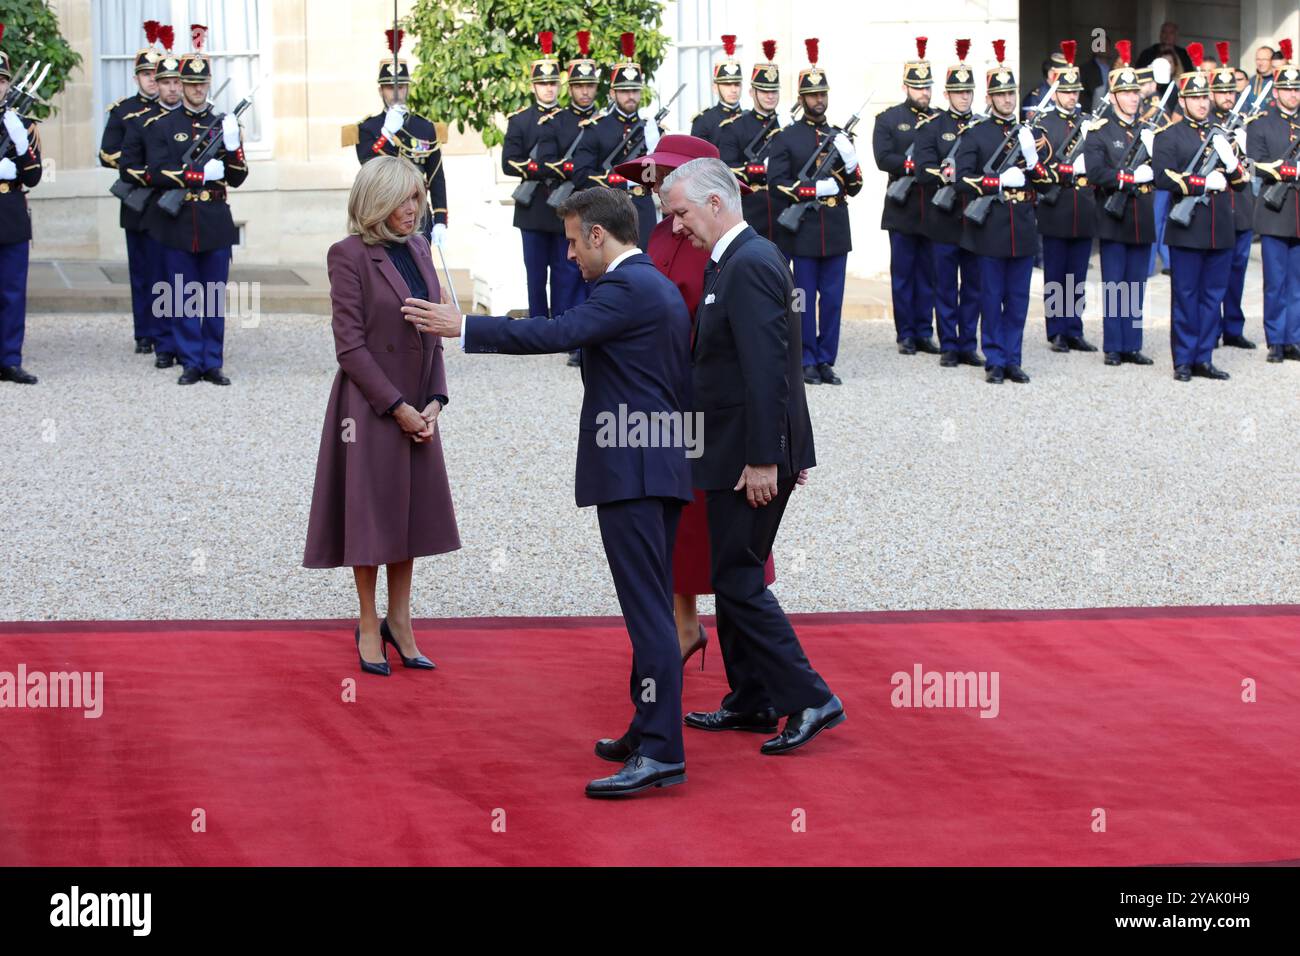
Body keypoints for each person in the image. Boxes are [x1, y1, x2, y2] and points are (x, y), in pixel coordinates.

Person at [408, 186, 694, 799]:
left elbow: (558, 331)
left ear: (599, 235)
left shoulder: (628, 288)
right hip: (651, 463)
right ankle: (648, 728)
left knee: (648, 616)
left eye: (571, 240)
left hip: (635, 469)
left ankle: (664, 751)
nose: (566, 254)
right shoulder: (647, 285)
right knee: (646, 609)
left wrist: (465, 329)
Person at [660, 157, 844, 756]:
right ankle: (752, 698)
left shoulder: (751, 263)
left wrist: (769, 457)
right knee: (731, 573)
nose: (676, 228)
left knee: (739, 580)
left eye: (682, 214)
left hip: (749, 456)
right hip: (731, 450)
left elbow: (770, 371)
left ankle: (808, 696)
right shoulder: (734, 261)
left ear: (716, 204)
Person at [612, 133, 776, 667]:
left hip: (700, 398)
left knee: (715, 530)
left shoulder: (726, 245)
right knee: (674, 521)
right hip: (661, 394)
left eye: (661, 173)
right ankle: (685, 627)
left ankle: (743, 660)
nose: (651, 181)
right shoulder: (661, 231)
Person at [304, 155, 459, 676]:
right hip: (370, 407)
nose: (412, 208)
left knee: (410, 516)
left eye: (416, 196)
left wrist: (435, 400)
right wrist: (397, 408)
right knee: (371, 518)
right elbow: (349, 347)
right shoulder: (346, 255)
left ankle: (401, 619)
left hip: (420, 400)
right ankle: (368, 621)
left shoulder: (419, 248)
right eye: (401, 199)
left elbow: (433, 331)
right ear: (376, 203)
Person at [136, 27, 247, 386]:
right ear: (180, 84)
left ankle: (212, 360)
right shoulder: (163, 125)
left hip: (214, 218)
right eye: (191, 83)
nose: (198, 89)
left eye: (203, 84)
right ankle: (190, 361)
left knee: (213, 296)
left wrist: (233, 146)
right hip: (179, 218)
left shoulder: (222, 124)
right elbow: (154, 172)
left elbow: (238, 176)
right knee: (181, 295)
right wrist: (197, 175)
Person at [955, 39, 1054, 384]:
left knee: (1017, 301)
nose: (1008, 100)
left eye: (1011, 94)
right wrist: (996, 183)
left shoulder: (1027, 133)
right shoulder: (977, 134)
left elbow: (1047, 182)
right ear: (990, 97)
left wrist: (1031, 159)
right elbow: (962, 181)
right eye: (1001, 95)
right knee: (991, 296)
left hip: (1023, 227)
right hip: (992, 227)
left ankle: (1013, 358)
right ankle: (995, 359)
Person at [769, 37, 864, 385]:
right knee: (802, 301)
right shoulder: (787, 137)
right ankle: (806, 358)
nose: (819, 100)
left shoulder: (839, 137)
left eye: (823, 94)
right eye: (812, 95)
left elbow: (855, 186)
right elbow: (776, 183)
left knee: (834, 301)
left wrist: (851, 161)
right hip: (804, 231)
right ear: (802, 98)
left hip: (836, 227)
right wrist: (811, 189)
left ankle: (827, 358)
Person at [1153, 42, 1249, 382]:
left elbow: (1240, 181)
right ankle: (1183, 358)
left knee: (1213, 297)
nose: (1202, 102)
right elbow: (1162, 176)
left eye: (1205, 97)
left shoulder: (1220, 135)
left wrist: (1232, 159)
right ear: (1182, 100)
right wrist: (1199, 183)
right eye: (1195, 98)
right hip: (1187, 227)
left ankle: (1204, 356)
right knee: (1186, 296)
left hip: (1220, 227)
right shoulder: (1170, 136)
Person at [913, 38, 983, 368]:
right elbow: (921, 170)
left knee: (973, 286)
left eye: (968, 91)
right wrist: (945, 172)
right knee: (944, 286)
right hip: (944, 216)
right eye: (958, 92)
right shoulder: (933, 127)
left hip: (975, 217)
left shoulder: (983, 126)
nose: (964, 96)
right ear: (947, 95)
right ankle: (949, 345)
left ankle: (968, 343)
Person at [1086, 42, 1157, 367]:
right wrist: (1128, 177)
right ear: (1112, 96)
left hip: (1141, 216)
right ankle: (1114, 345)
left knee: (1136, 285)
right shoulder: (1100, 132)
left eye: (1135, 93)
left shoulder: (1148, 131)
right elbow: (1097, 172)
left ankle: (1132, 343)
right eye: (1126, 93)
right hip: (1114, 215)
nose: (1132, 98)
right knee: (1116, 284)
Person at [119, 26, 183, 371]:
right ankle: (162, 341)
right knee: (159, 278)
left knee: (183, 282)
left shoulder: (195, 120)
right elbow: (127, 167)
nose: (173, 88)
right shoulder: (141, 122)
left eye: (177, 82)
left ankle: (187, 338)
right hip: (157, 208)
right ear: (154, 84)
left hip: (189, 211)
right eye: (166, 82)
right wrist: (157, 177)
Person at [347, 28, 447, 245]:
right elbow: (368, 164)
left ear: (407, 89)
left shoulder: (425, 127)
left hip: (417, 214)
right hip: (382, 215)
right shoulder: (368, 128)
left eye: (400, 87)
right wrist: (388, 133)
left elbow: (436, 176)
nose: (396, 93)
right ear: (381, 91)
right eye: (390, 88)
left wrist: (440, 219)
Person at [99, 20, 162, 356]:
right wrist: (143, 165)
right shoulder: (123, 111)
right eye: (146, 74)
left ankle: (168, 329)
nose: (152, 79)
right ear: (136, 77)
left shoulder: (175, 108)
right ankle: (145, 332)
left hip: (170, 198)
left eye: (156, 73)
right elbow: (106, 153)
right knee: (141, 270)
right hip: (139, 200)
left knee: (166, 268)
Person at [872, 36, 939, 355]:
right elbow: (883, 158)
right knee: (903, 276)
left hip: (933, 209)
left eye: (927, 86)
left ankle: (925, 331)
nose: (924, 92)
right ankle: (906, 334)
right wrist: (915, 164)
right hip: (902, 208)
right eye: (918, 87)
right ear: (906, 87)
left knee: (928, 275)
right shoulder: (889, 119)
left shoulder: (940, 119)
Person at [539, 28, 600, 368]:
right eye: (578, 85)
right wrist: (572, 167)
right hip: (569, 206)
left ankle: (592, 336)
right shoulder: (557, 121)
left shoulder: (604, 122)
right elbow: (547, 158)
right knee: (568, 273)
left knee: (597, 272)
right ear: (571, 88)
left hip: (599, 207)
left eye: (589, 85)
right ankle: (569, 335)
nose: (584, 91)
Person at [1034, 40, 1099, 353]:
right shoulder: (1044, 123)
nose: (1072, 97)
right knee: (1056, 273)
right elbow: (1040, 165)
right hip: (1057, 203)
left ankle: (1074, 327)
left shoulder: (1089, 123)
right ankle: (1056, 329)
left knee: (1077, 273)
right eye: (1067, 91)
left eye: (1076, 92)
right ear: (1056, 92)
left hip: (1083, 204)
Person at [571, 31, 661, 249]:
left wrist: (652, 148)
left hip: (643, 207)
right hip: (609, 209)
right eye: (624, 91)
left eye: (634, 90)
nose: (630, 95)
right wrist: (622, 181)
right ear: (612, 93)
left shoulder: (650, 128)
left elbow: (653, 177)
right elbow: (581, 175)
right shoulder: (596, 128)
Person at [501, 32, 568, 323]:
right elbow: (508, 162)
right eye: (543, 83)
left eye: (552, 83)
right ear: (533, 86)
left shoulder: (570, 119)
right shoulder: (520, 120)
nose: (548, 89)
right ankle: (539, 325)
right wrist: (543, 168)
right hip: (532, 207)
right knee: (536, 273)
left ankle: (564, 325)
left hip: (563, 205)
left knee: (566, 272)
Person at [1247, 47, 1300, 363]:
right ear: (1276, 90)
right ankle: (1275, 340)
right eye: (1288, 89)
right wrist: (1284, 169)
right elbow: (1253, 163)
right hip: (1275, 210)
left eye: (1297, 89)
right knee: (1275, 281)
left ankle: (1293, 337)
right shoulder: (1262, 122)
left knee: (1297, 283)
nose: (1293, 95)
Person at [0, 24, 42, 386]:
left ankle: (10, 359)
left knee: (12, 291)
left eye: (0, 81)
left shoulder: (22, 124)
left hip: (10, 211)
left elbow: (33, 177)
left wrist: (20, 144)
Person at [1210, 44, 1258, 350]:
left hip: (1240, 205)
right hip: (1214, 206)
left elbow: (1253, 164)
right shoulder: (1207, 125)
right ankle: (1211, 328)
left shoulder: (1244, 124)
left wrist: (1244, 144)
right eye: (1222, 92)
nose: (1228, 97)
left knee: (1238, 271)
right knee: (1215, 274)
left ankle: (1234, 328)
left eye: (1232, 92)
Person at [719, 39, 785, 239]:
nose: (770, 95)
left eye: (774, 90)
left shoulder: (786, 126)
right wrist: (756, 169)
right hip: (750, 210)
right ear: (751, 92)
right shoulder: (734, 126)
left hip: (782, 212)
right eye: (764, 90)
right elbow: (727, 168)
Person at [689, 35, 742, 146]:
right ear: (715, 88)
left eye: (737, 85)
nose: (733, 90)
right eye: (727, 85)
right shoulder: (704, 121)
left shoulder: (748, 118)